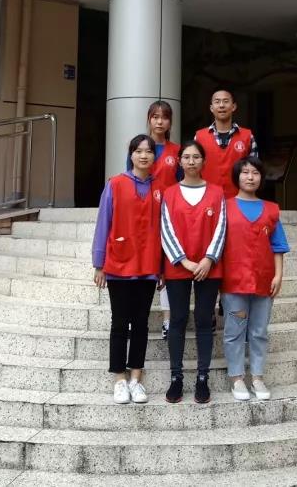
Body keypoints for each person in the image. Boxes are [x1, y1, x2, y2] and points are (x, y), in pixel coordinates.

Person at [92, 134, 163, 404]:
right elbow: (103, 223)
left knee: (141, 323)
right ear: (131, 154)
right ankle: (120, 379)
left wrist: (162, 267)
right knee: (120, 322)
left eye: (149, 151)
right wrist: (99, 263)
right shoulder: (115, 184)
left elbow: (164, 230)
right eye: (138, 151)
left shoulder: (160, 188)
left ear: (154, 156)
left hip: (148, 264)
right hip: (119, 264)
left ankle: (136, 378)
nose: (144, 155)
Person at [159, 140, 226, 404]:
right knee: (177, 319)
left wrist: (209, 259)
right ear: (179, 161)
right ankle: (176, 377)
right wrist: (184, 261)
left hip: (210, 266)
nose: (191, 161)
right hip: (178, 266)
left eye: (196, 157)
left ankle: (202, 377)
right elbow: (165, 230)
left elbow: (221, 228)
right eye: (186, 157)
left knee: (204, 319)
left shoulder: (217, 193)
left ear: (203, 161)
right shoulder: (169, 193)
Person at [220, 156, 289, 402]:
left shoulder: (271, 209)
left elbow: (278, 246)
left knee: (259, 331)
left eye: (255, 173)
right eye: (245, 172)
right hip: (234, 281)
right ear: (237, 177)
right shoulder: (225, 207)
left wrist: (278, 275)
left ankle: (257, 377)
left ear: (261, 178)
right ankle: (236, 377)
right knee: (234, 331)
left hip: (264, 280)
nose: (250, 177)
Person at [145, 100, 181, 339]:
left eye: (164, 117)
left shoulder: (176, 151)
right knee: (146, 265)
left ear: (170, 122)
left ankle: (168, 321)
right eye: (155, 116)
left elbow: (181, 183)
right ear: (149, 119)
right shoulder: (140, 146)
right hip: (144, 214)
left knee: (168, 268)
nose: (159, 121)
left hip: (170, 215)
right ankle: (137, 318)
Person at [194, 89, 258, 199]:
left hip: (239, 200)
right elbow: (193, 171)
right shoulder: (199, 137)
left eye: (226, 101)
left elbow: (254, 171)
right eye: (217, 101)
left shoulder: (248, 137)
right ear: (211, 108)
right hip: (207, 200)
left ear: (233, 106)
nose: (221, 105)